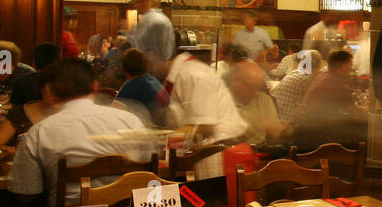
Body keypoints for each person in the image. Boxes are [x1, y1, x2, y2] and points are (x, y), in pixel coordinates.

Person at [7, 57, 150, 207]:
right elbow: (148, 172)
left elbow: (26, 193)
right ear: (95, 86)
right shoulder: (130, 120)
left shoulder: (40, 131)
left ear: (51, 91)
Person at [165, 47, 247, 182]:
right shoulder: (181, 74)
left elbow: (205, 125)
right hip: (210, 152)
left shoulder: (194, 74)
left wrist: (167, 141)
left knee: (219, 203)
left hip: (223, 153)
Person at [292, 50, 365, 150]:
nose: (351, 68)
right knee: (363, 134)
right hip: (315, 134)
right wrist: (369, 116)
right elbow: (353, 111)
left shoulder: (323, 76)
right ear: (343, 66)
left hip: (305, 128)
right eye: (350, 64)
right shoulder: (336, 83)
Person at [0, 62, 62, 152]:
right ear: (41, 88)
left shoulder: (75, 114)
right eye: (53, 88)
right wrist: (28, 152)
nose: (58, 93)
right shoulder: (23, 112)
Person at [228, 60, 287, 144]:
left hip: (259, 152)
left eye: (258, 87)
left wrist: (279, 130)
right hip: (227, 152)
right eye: (251, 87)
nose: (255, 93)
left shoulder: (264, 100)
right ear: (235, 81)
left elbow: (275, 136)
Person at [127, 0, 175, 74]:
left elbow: (159, 51)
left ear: (147, 2)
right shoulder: (145, 19)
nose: (136, 5)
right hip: (145, 68)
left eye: (138, 2)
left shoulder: (156, 21)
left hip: (154, 69)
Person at [115, 49, 165, 125]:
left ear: (123, 69)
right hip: (165, 126)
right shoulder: (153, 80)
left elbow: (115, 112)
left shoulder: (132, 87)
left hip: (153, 131)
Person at [273, 51, 324, 123]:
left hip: (278, 120)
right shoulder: (308, 81)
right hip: (291, 125)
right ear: (319, 65)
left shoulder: (293, 73)